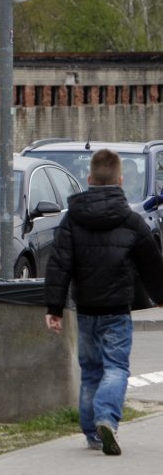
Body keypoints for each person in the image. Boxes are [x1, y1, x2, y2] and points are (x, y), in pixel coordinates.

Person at [45, 149, 163, 456]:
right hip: (116, 311)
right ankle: (106, 417)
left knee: (91, 371)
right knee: (116, 368)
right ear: (121, 180)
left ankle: (92, 435)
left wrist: (54, 308)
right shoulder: (131, 221)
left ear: (88, 179)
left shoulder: (72, 219)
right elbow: (152, 264)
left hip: (85, 310)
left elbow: (59, 265)